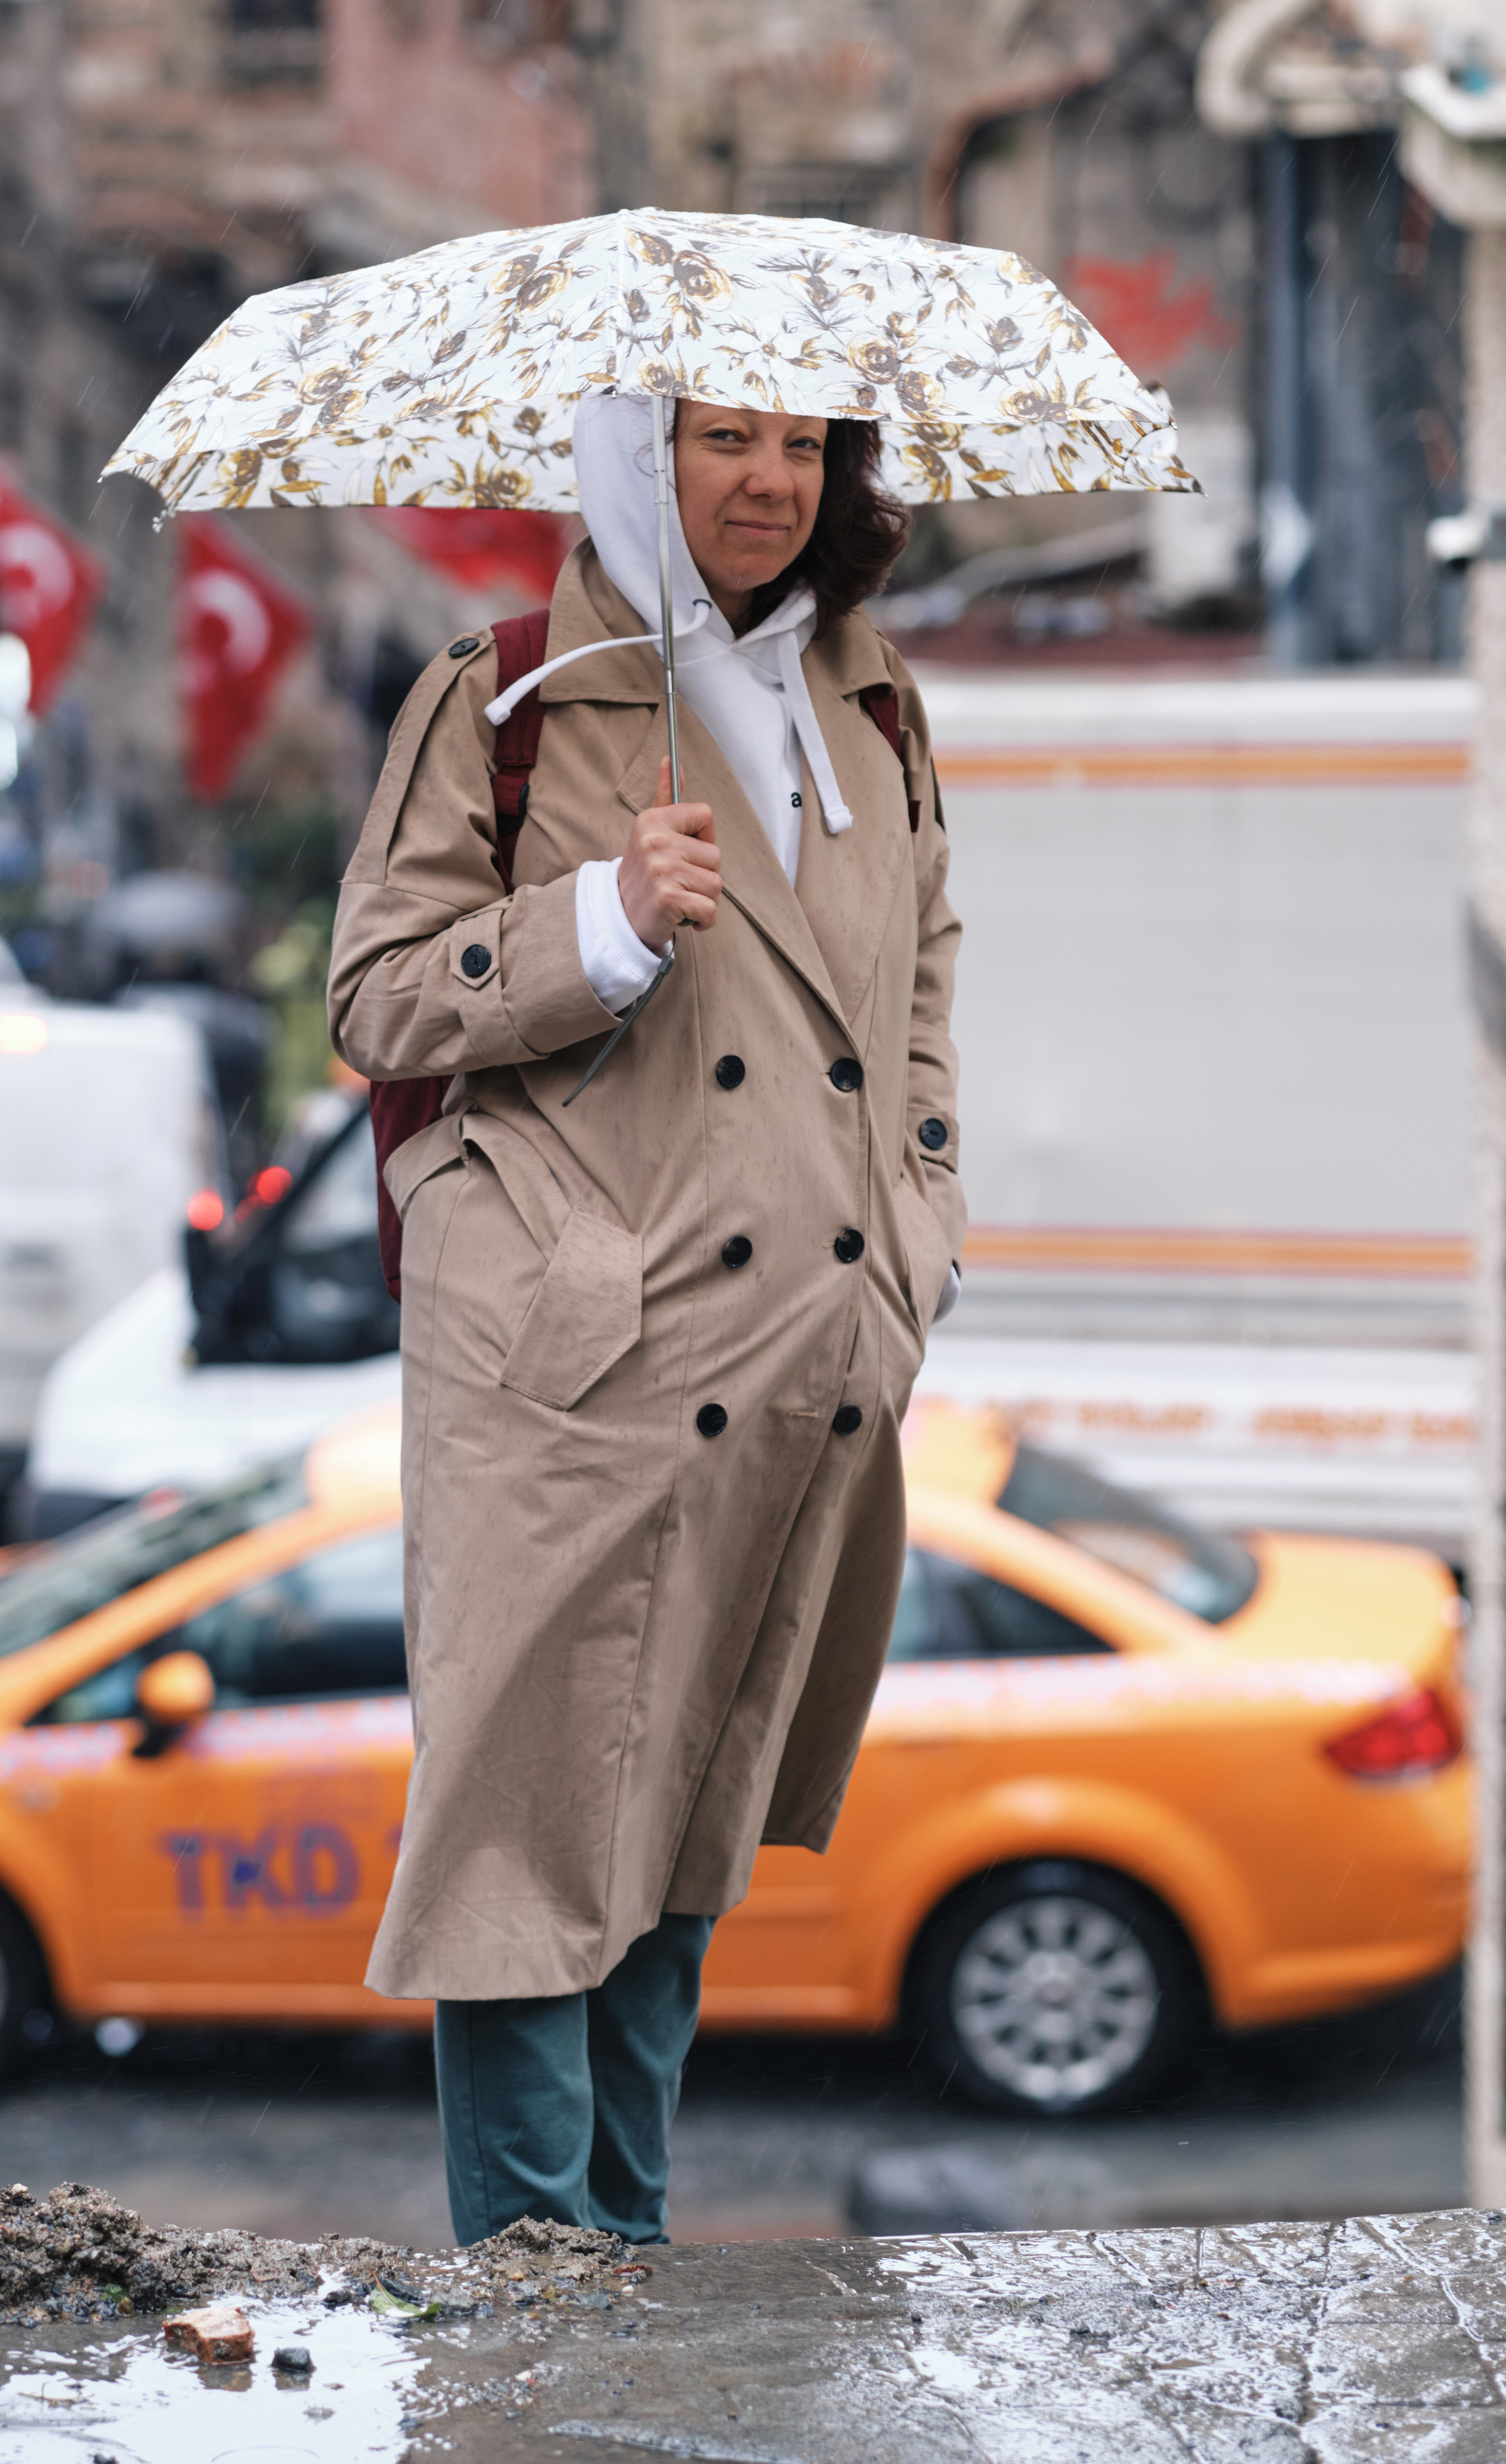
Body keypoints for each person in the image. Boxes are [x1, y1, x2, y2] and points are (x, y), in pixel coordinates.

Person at [327, 388, 963, 2246]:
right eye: (719, 440)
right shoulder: (507, 691)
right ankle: (542, 2328)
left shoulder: (873, 703)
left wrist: (914, 1223)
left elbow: (919, 995)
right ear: (634, 457)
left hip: (798, 1363)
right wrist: (592, 921)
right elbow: (374, 991)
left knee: (683, 1827)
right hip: (569, 1364)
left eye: (800, 447)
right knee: (524, 1852)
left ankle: (626, 2286)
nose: (766, 482)